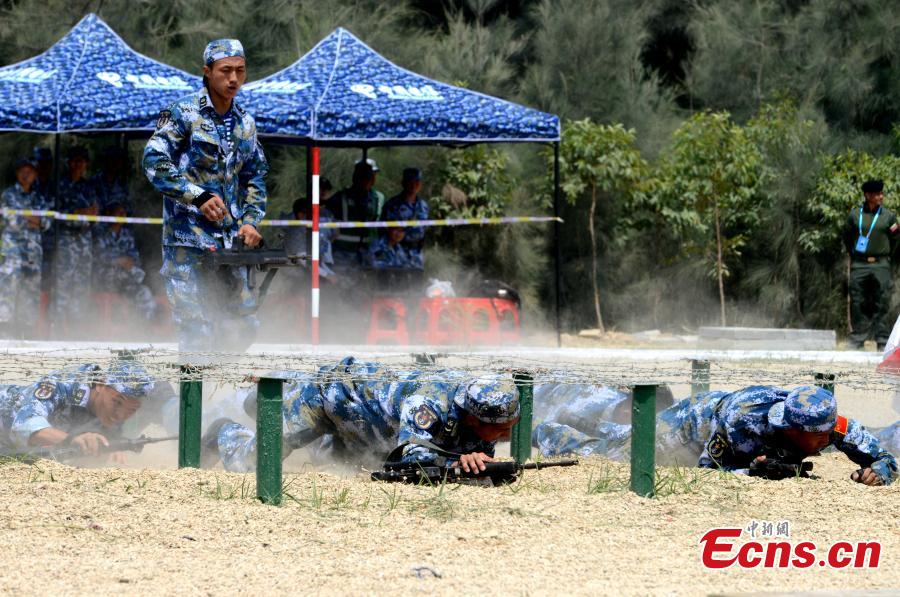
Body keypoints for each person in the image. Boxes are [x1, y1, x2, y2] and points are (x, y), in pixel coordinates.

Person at [142, 38, 268, 354]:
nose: (234, 79)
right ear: (207, 71)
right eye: (225, 71)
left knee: (243, 325)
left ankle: (222, 397)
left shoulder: (246, 124)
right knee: (197, 330)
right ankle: (194, 402)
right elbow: (153, 161)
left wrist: (251, 222)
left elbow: (256, 177)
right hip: (186, 243)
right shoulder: (183, 113)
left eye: (240, 71)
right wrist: (196, 196)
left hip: (229, 244)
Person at [204, 356, 520, 473]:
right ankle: (226, 431)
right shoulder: (429, 402)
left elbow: (472, 453)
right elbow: (407, 458)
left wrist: (478, 464)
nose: (508, 433)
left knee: (336, 465)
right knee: (252, 463)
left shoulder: (474, 416)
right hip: (331, 398)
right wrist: (454, 463)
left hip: (367, 427)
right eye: (502, 429)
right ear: (475, 418)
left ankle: (268, 405)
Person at [534, 385, 897, 486]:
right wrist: (752, 472)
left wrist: (878, 472)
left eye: (829, 435)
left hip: (715, 422)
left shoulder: (828, 423)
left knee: (622, 434)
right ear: (790, 429)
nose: (827, 442)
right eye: (819, 439)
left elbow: (884, 457)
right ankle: (547, 431)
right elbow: (708, 470)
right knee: (621, 449)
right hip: (694, 424)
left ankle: (578, 419)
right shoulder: (744, 425)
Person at [0, 360, 154, 459]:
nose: (120, 415)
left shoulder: (106, 412)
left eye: (131, 410)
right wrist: (72, 439)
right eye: (117, 402)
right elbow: (24, 425)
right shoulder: (61, 384)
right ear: (100, 385)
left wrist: (110, 447)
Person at [843, 179, 899, 350]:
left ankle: (882, 340)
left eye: (882, 193)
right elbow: (847, 237)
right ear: (868, 195)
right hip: (859, 264)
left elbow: (896, 240)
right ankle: (857, 339)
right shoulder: (855, 215)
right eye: (877, 194)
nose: (881, 196)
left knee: (882, 301)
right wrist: (855, 256)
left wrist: (888, 258)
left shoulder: (889, 217)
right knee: (858, 301)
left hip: (881, 264)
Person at [0, 158, 52, 338]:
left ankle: (26, 331)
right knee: (8, 287)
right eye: (22, 170)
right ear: (17, 173)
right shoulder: (8, 195)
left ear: (35, 174)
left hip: (33, 253)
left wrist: (30, 218)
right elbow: (12, 221)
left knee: (30, 291)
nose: (26, 174)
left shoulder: (39, 198)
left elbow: (46, 222)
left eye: (30, 171)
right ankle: (5, 330)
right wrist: (33, 219)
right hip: (13, 251)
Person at [53, 146, 99, 336]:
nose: (77, 164)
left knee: (81, 285)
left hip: (84, 239)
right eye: (74, 161)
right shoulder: (60, 185)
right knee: (63, 284)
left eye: (81, 161)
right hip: (66, 239)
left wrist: (80, 214)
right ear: (68, 163)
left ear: (86, 164)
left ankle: (76, 331)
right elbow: (58, 213)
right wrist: (80, 212)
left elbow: (94, 212)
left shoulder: (88, 187)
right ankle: (58, 331)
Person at [92, 203, 158, 321]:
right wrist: (118, 261)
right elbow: (99, 256)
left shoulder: (127, 235)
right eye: (119, 212)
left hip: (126, 280)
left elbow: (134, 258)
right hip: (106, 277)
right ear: (109, 214)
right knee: (125, 274)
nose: (122, 215)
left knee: (144, 292)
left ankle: (144, 326)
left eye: (124, 213)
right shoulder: (101, 235)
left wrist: (127, 262)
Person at [326, 160, 385, 265]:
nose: (367, 180)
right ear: (355, 177)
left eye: (370, 176)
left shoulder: (377, 198)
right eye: (363, 177)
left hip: (368, 254)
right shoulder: (340, 198)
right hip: (343, 253)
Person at [381, 167, 428, 254]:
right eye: (410, 182)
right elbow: (385, 231)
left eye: (417, 182)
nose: (414, 185)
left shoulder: (423, 206)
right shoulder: (392, 205)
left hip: (416, 253)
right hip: (397, 253)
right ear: (403, 183)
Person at [92, 146, 132, 213]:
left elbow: (129, 208)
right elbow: (90, 207)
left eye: (118, 160)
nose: (115, 163)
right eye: (112, 159)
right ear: (105, 161)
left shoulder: (123, 184)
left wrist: (121, 210)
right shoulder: (94, 182)